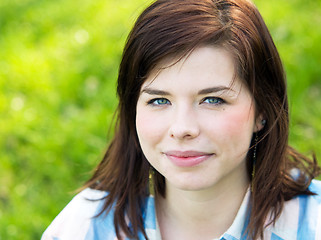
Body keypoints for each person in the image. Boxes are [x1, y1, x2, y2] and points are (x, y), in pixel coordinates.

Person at [41, 0, 321, 239]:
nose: (182, 128)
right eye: (159, 100)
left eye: (213, 100)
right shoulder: (84, 228)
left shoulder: (313, 223)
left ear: (262, 110)